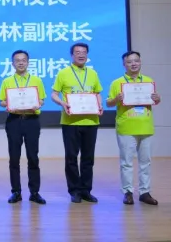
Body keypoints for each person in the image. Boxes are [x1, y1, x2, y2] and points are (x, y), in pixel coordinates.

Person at [106, 50, 161, 205]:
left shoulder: (148, 81)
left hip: (145, 127)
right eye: (129, 62)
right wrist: (116, 99)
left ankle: (145, 192)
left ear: (140, 62)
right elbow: (108, 103)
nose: (133, 64)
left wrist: (157, 99)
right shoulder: (117, 83)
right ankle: (128, 192)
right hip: (126, 127)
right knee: (126, 162)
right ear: (124, 64)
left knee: (146, 162)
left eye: (136, 61)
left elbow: (154, 101)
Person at [51, 43, 102, 203]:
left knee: (88, 158)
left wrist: (99, 105)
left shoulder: (93, 73)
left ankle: (86, 190)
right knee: (71, 157)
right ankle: (74, 191)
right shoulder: (63, 73)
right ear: (72, 55)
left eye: (84, 52)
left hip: (91, 121)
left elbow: (97, 93)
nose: (81, 54)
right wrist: (62, 103)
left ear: (87, 55)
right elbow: (54, 94)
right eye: (77, 52)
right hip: (70, 122)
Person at [0, 50, 46, 204]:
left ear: (28, 62)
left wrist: (37, 104)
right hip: (14, 121)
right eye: (17, 60)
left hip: (32, 120)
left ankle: (35, 192)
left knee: (33, 157)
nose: (20, 62)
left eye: (23, 60)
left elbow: (42, 100)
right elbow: (2, 102)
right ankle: (16, 192)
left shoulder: (37, 80)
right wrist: (9, 103)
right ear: (12, 63)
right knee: (14, 158)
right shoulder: (7, 81)